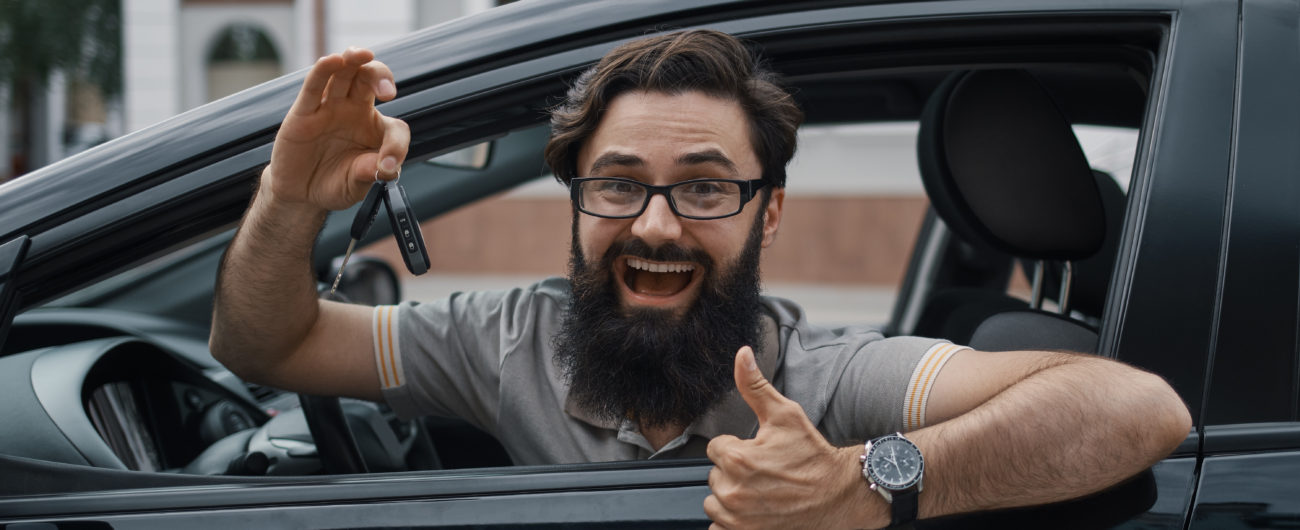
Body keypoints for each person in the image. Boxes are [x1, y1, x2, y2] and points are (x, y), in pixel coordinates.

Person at [211, 30, 1191, 529]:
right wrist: (292, 195)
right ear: (578, 202)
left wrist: (864, 482)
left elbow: (1134, 409)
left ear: (767, 212)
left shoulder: (823, 380)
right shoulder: (504, 339)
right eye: (619, 184)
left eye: (705, 188)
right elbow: (267, 341)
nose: (655, 224)